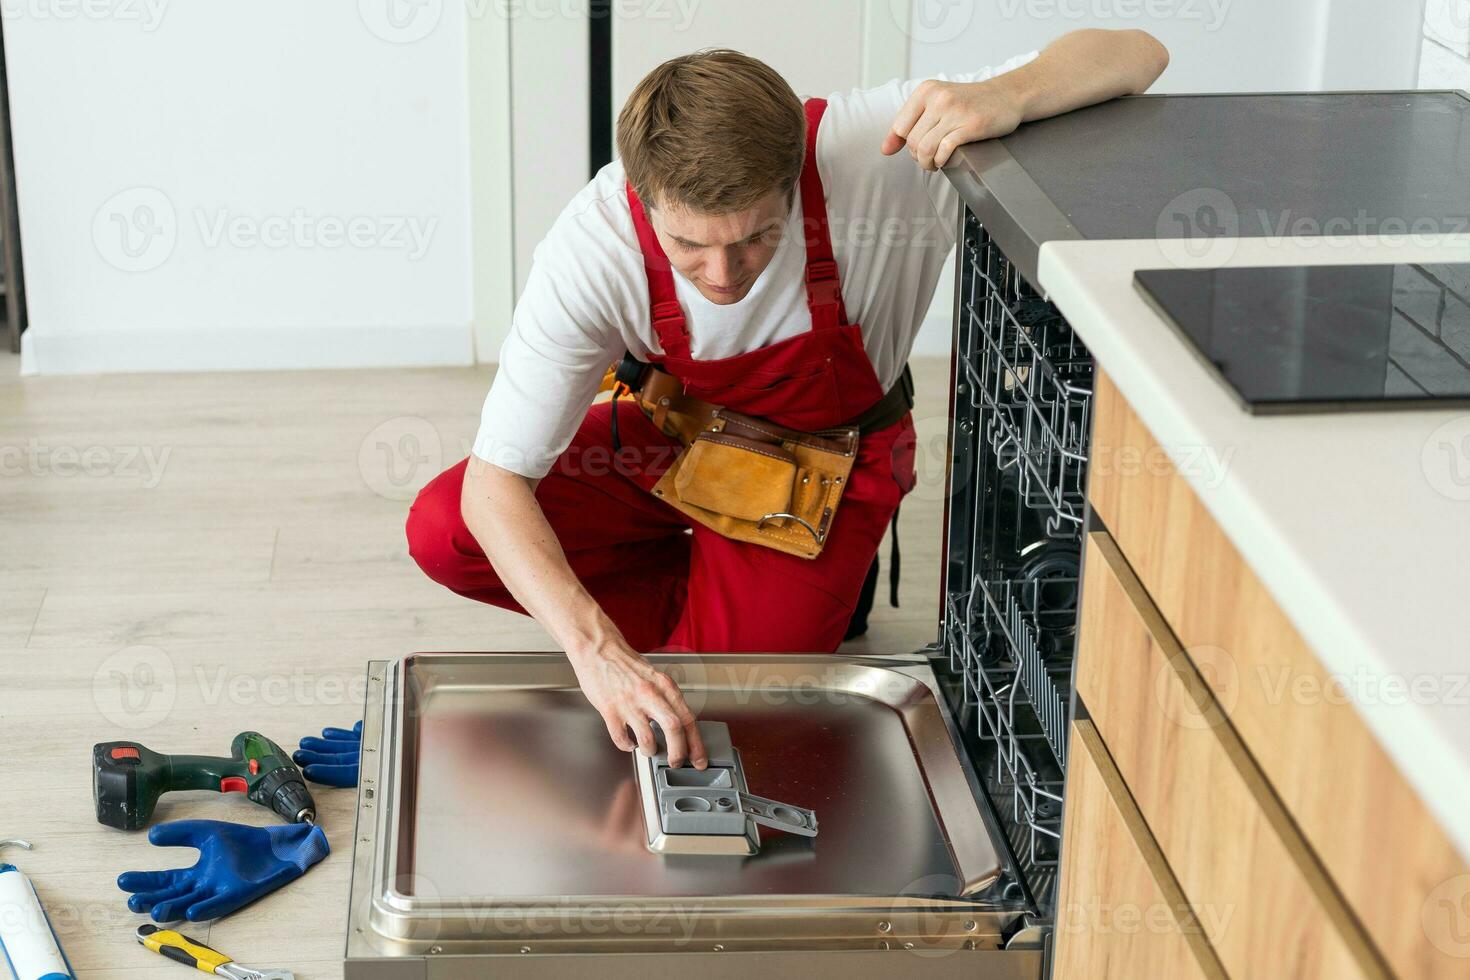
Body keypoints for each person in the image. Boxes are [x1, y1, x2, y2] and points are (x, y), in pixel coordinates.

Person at [406, 29, 1169, 769]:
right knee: (446, 530)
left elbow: (1139, 52)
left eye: (755, 238)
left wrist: (1005, 96)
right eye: (689, 246)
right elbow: (493, 485)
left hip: (828, 468)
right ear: (641, 195)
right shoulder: (591, 250)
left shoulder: (877, 146)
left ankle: (759, 602)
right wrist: (595, 651)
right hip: (676, 441)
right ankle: (724, 601)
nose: (723, 273)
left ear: (796, 171)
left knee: (735, 710)